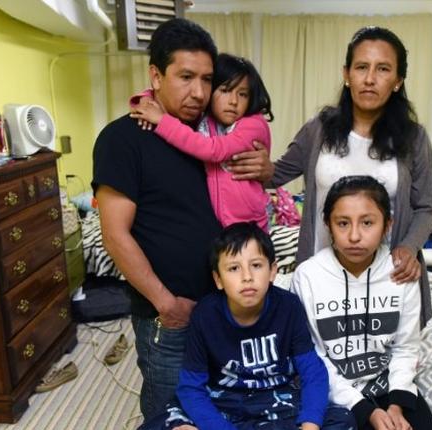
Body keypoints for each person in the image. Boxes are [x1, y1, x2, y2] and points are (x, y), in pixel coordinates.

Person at [92, 18, 270, 422]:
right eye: (185, 77)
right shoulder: (124, 139)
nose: (199, 92)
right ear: (155, 75)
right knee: (170, 413)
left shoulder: (212, 134)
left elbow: (251, 179)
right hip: (170, 316)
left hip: (225, 310)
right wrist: (164, 302)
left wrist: (266, 169)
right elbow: (114, 234)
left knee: (224, 408)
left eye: (207, 79)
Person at [260, 25, 432, 327]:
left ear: (398, 80)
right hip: (322, 269)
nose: (369, 79)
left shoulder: (413, 138)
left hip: (384, 276)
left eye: (383, 69)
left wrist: (408, 248)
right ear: (346, 74)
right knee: (316, 360)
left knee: (385, 359)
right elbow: (277, 174)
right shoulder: (319, 129)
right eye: (361, 67)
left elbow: (425, 208)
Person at [141, 222, 354, 430]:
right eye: (234, 268)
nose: (247, 277)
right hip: (224, 401)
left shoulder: (288, 306)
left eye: (256, 265)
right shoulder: (205, 315)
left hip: (279, 400)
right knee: (164, 423)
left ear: (272, 271)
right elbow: (191, 387)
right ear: (218, 279)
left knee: (341, 419)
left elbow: (312, 371)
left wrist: (310, 424)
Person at [291, 175, 432, 430]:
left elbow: (406, 347)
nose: (355, 236)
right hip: (334, 394)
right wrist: (363, 409)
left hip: (390, 389)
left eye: (367, 223)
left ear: (387, 225)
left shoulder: (401, 272)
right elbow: (314, 357)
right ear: (328, 224)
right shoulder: (308, 277)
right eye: (343, 223)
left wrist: (396, 405)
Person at [130, 53, 273, 231]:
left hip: (252, 222)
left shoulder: (253, 125)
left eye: (242, 94)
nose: (234, 101)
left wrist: (162, 120)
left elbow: (214, 150)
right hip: (220, 223)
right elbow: (166, 95)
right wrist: (146, 100)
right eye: (225, 90)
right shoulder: (206, 120)